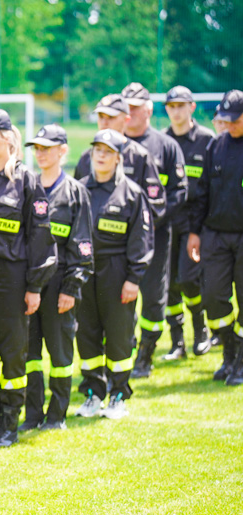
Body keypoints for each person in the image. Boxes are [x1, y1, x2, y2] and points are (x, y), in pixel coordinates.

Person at [0, 108, 56, 447]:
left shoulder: (25, 179)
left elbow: (40, 237)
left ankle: (9, 423)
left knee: (13, 351)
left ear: (7, 138)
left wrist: (34, 286)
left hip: (13, 279)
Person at [74, 129, 153, 419]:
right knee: (87, 335)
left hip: (118, 272)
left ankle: (119, 394)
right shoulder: (79, 189)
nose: (101, 156)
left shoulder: (132, 193)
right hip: (84, 273)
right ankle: (94, 393)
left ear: (119, 158)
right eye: (97, 150)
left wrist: (134, 278)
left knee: (119, 336)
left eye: (108, 152)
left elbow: (142, 240)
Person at [21, 125, 94, 431]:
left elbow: (83, 244)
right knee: (30, 354)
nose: (41, 154)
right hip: (31, 285)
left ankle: (57, 415)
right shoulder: (29, 186)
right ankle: (33, 414)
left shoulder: (76, 192)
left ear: (63, 151)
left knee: (60, 353)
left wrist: (72, 286)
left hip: (61, 284)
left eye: (47, 148)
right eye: (37, 148)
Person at [121, 82, 188, 379]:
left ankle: (145, 355)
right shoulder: (111, 145)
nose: (130, 113)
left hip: (155, 238)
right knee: (118, 297)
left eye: (136, 108)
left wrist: (150, 222)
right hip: (115, 240)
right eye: (126, 107)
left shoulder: (166, 146)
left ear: (149, 110)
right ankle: (124, 350)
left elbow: (178, 191)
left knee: (153, 297)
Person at [188, 90, 243, 386]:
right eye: (225, 120)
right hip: (216, 236)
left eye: (235, 120)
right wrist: (195, 231)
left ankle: (241, 361)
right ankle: (230, 353)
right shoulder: (215, 147)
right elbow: (202, 193)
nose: (229, 125)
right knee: (213, 297)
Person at [162, 86, 215, 358]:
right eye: (171, 106)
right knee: (168, 284)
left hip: (198, 224)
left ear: (192, 107)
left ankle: (201, 329)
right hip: (168, 222)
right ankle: (177, 342)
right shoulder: (162, 142)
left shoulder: (207, 140)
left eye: (181, 106)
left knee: (188, 279)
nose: (176, 111)